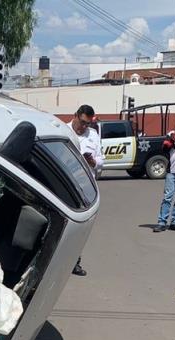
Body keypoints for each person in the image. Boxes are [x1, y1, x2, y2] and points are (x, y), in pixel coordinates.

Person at [68, 104, 102, 276]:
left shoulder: (93, 136)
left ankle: (75, 261)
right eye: (82, 122)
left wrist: (93, 162)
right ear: (75, 116)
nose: (83, 127)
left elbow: (101, 161)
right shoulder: (62, 131)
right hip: (65, 186)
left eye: (87, 124)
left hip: (85, 188)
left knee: (81, 228)